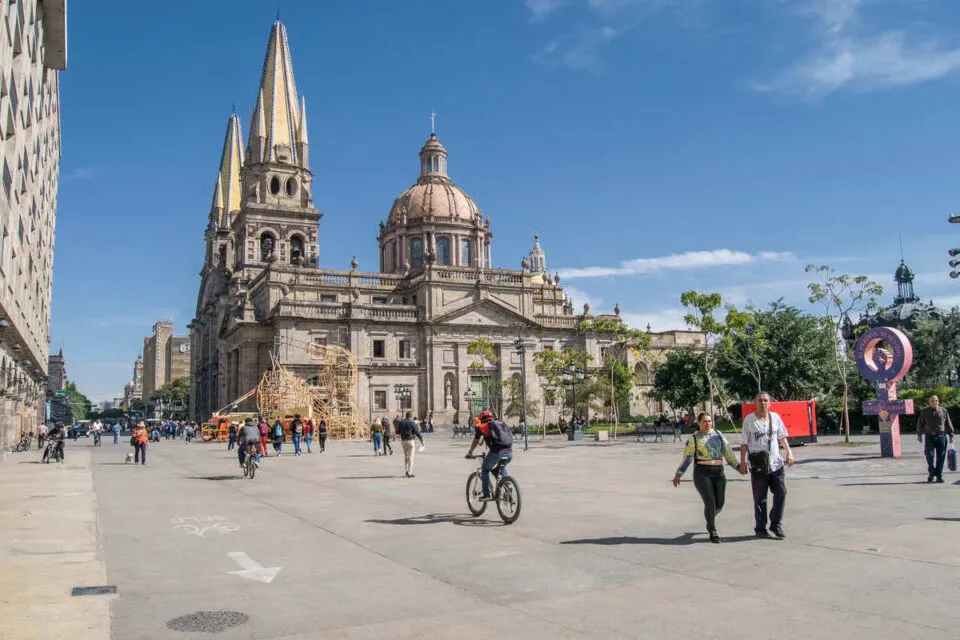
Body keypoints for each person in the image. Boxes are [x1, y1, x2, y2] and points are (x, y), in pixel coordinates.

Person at [673, 413, 743, 543]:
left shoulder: (719, 435)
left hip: (718, 472)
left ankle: (709, 517)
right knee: (710, 502)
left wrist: (738, 467)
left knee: (720, 504)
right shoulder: (694, 439)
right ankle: (712, 530)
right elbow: (687, 458)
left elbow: (728, 453)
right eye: (704, 421)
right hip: (702, 473)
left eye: (710, 421)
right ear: (698, 423)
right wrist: (679, 474)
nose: (708, 424)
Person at [739, 392, 794, 539]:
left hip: (776, 464)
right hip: (758, 466)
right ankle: (760, 528)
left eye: (765, 400)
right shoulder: (749, 420)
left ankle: (776, 524)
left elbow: (782, 436)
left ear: (770, 403)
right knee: (760, 498)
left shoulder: (775, 418)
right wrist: (743, 462)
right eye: (760, 400)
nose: (763, 403)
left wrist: (789, 452)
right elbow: (744, 443)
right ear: (755, 403)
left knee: (781, 492)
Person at [465, 409, 513, 502]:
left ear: (482, 419)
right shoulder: (501, 423)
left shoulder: (483, 426)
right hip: (509, 451)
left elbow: (476, 441)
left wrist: (470, 452)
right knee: (500, 468)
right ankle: (508, 485)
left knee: (485, 469)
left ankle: (487, 494)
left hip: (497, 451)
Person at [917, 394, 955, 483]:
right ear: (929, 402)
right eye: (933, 401)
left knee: (941, 457)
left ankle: (939, 476)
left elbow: (948, 423)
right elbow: (920, 424)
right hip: (930, 436)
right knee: (929, 456)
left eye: (936, 400)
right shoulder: (924, 412)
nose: (935, 402)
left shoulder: (943, 411)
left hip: (941, 436)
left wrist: (951, 435)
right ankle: (931, 473)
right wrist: (919, 435)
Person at [396, 411, 424, 478]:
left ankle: (406, 470)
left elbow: (398, 432)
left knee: (406, 456)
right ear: (410, 416)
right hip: (410, 441)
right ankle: (410, 472)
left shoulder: (401, 422)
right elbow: (417, 432)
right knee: (411, 457)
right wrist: (422, 441)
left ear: (406, 416)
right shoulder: (412, 422)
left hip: (403, 441)